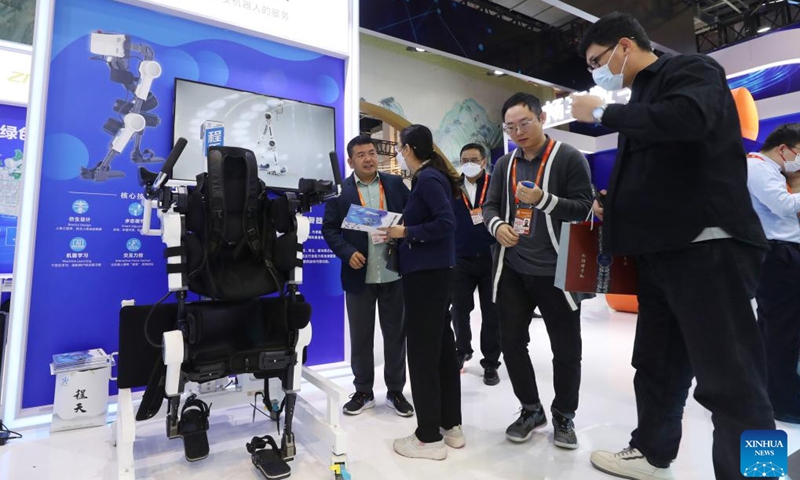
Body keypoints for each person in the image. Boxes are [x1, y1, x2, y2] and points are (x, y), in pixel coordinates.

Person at [572, 12, 775, 480]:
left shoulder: (690, 71)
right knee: (657, 365)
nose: (598, 72)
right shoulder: (642, 100)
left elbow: (689, 119)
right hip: (661, 255)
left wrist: (602, 112)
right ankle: (651, 450)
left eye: (598, 60)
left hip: (707, 247)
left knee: (733, 379)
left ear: (625, 45)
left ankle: (759, 473)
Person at [484, 92, 593, 450]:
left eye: (524, 123)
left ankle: (564, 415)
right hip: (513, 269)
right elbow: (488, 206)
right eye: (510, 127)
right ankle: (531, 409)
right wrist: (497, 225)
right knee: (511, 343)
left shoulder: (568, 158)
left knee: (565, 349)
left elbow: (582, 207)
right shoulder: (504, 164)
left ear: (542, 117)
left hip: (557, 272)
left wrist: (543, 201)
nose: (518, 131)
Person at [381, 124, 463, 460]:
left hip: (426, 276)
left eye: (400, 147)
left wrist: (405, 231)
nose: (399, 152)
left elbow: (446, 224)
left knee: (422, 352)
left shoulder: (427, 179)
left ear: (410, 148)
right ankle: (450, 425)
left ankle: (428, 437)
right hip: (436, 274)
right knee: (442, 348)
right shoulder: (433, 177)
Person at [322, 135, 414, 417]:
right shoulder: (341, 192)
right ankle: (363, 391)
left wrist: (404, 232)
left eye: (372, 152)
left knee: (396, 336)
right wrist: (347, 252)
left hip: (393, 272)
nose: (368, 158)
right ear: (351, 161)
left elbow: (412, 216)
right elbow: (330, 230)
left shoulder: (396, 185)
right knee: (361, 337)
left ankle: (396, 391)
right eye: (361, 154)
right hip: (358, 274)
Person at [746, 123, 800, 423]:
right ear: (784, 148)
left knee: (776, 330)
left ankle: (772, 392)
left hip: (780, 255)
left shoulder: (769, 170)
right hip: (779, 255)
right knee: (782, 332)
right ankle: (782, 401)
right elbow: (782, 206)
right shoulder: (758, 168)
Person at [450, 143, 502, 386]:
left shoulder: (495, 185)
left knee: (492, 313)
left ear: (483, 161)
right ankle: (462, 350)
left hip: (491, 257)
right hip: (460, 258)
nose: (468, 163)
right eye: (464, 159)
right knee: (459, 309)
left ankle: (491, 362)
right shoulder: (452, 187)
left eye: (473, 159)